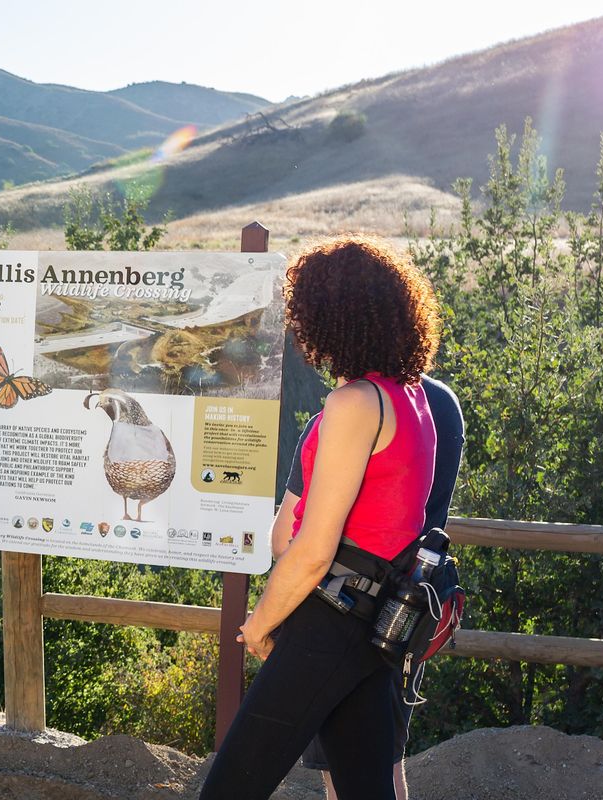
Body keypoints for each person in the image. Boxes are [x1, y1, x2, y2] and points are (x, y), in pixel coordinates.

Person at [200, 236, 442, 800]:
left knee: (231, 786)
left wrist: (259, 624)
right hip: (376, 622)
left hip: (331, 620)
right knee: (366, 790)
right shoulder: (411, 398)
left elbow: (314, 548)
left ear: (334, 317)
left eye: (304, 313)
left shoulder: (355, 403)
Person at [285, 373, 465, 800]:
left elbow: (288, 537)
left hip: (337, 604)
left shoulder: (348, 411)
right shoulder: (441, 403)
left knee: (339, 769)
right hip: (412, 608)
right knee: (387, 760)